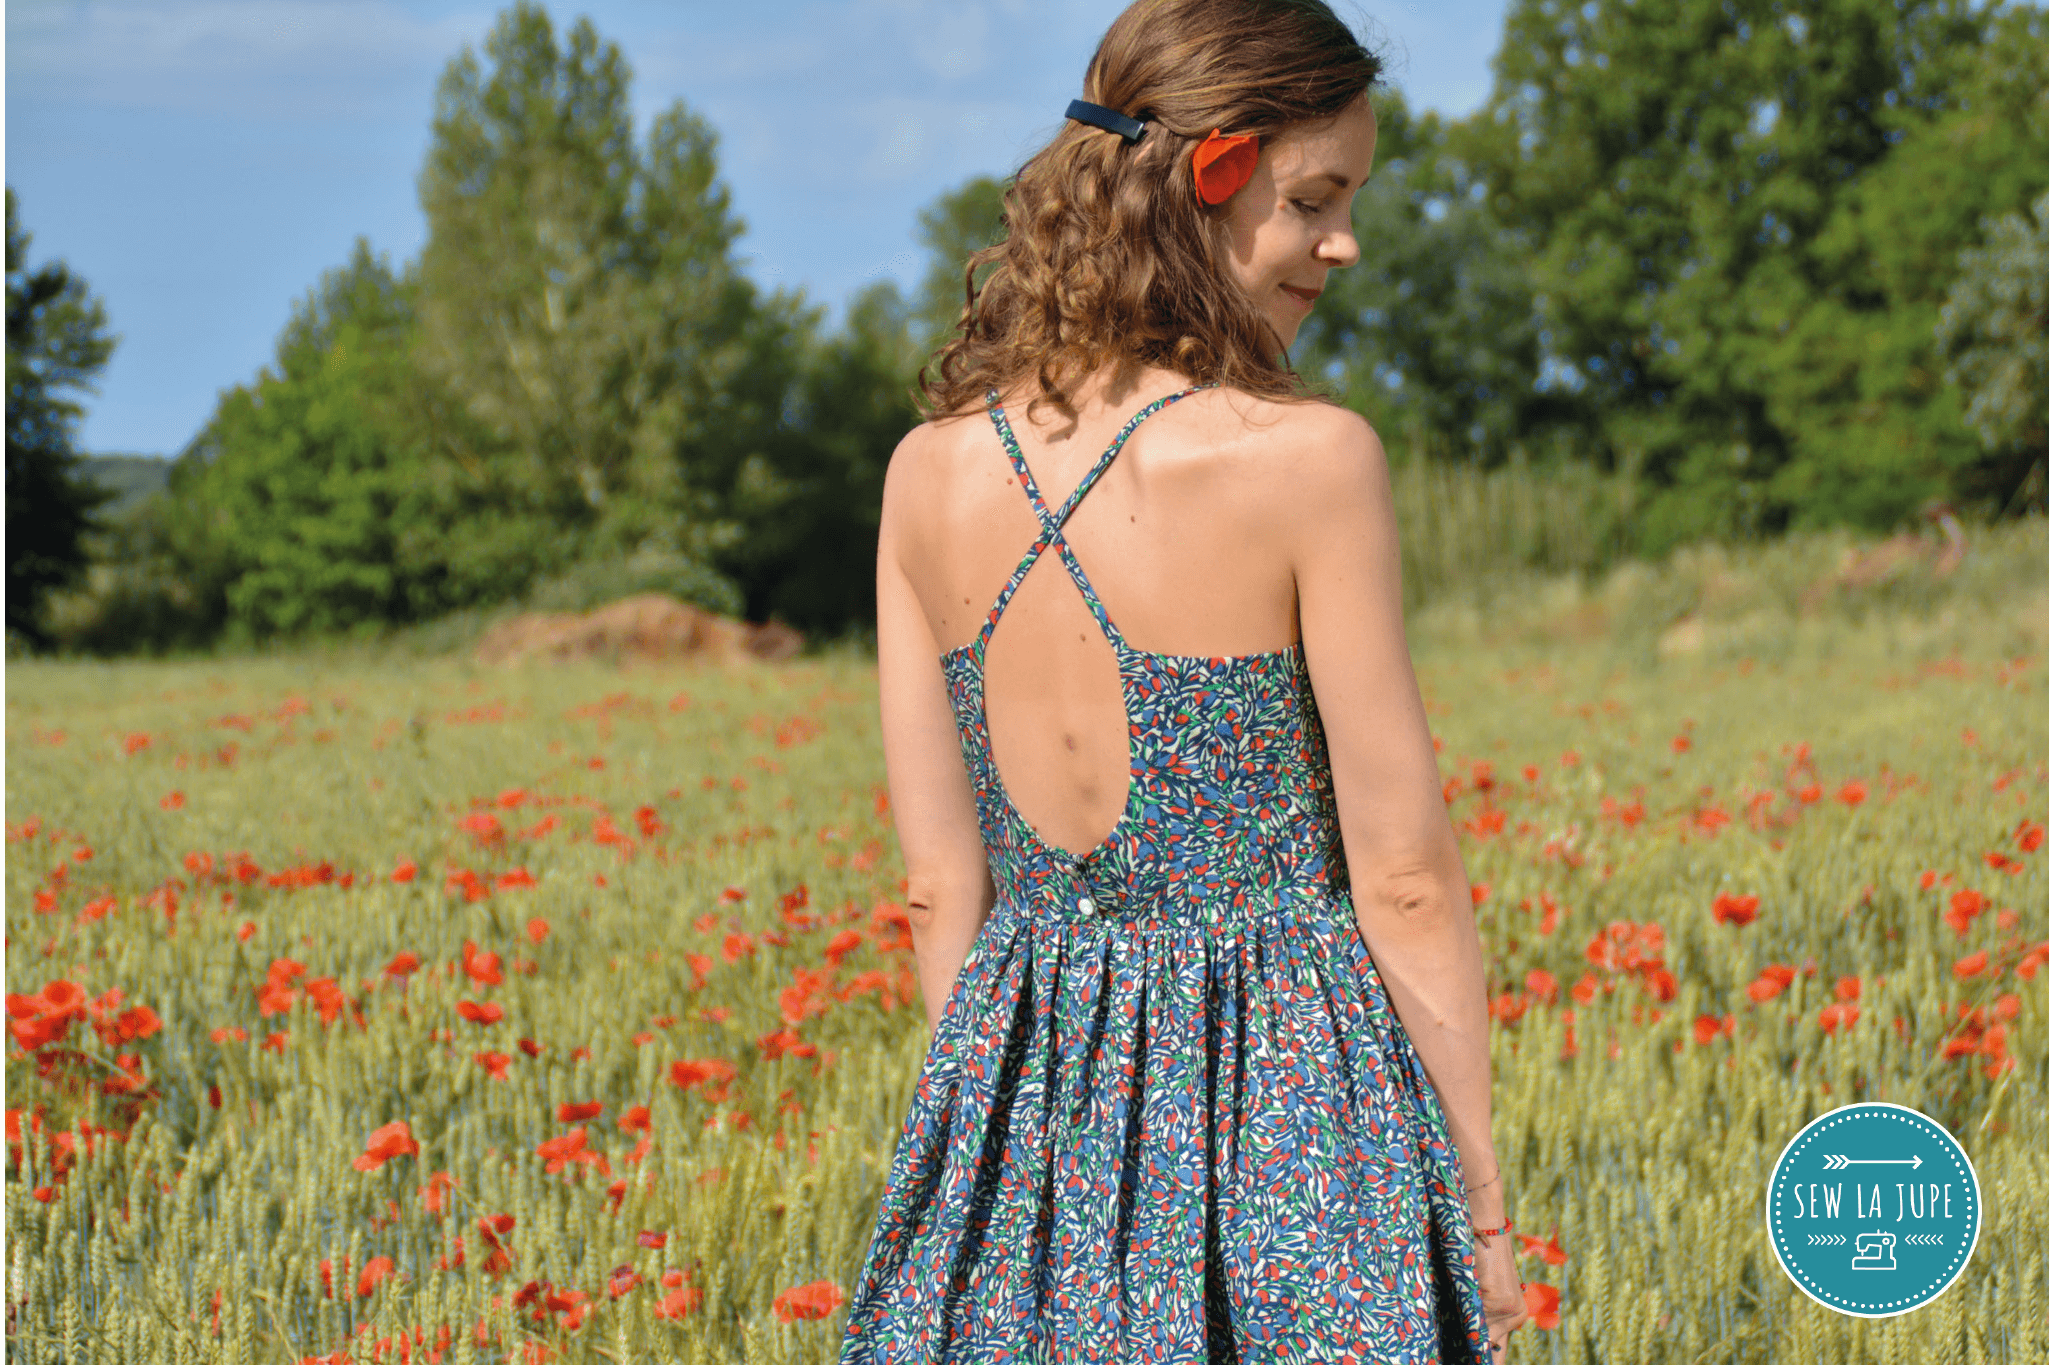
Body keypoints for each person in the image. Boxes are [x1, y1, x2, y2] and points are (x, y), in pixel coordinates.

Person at [842, 1, 1529, 1359]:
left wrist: (1005, 1138)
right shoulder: (1309, 462)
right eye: (1314, 200)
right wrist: (1482, 1213)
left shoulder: (924, 476)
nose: (1343, 244)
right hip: (1298, 1122)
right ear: (1205, 177)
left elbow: (937, 887)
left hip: (1030, 1116)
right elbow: (1403, 876)